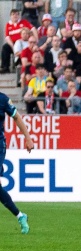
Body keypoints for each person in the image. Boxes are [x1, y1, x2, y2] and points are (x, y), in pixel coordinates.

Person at [0, 93, 34, 233]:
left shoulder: (2, 99)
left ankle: (21, 216)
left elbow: (16, 117)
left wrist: (28, 138)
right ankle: (20, 215)